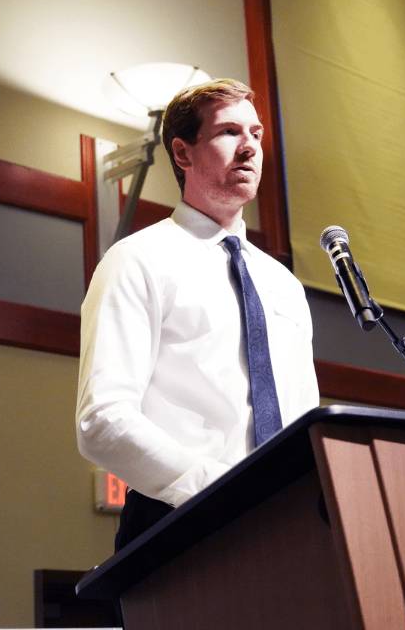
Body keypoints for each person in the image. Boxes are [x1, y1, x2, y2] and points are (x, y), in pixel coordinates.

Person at [75, 79, 319, 551]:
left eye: (257, 133)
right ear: (183, 154)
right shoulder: (137, 260)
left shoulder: (284, 285)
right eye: (229, 132)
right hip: (179, 524)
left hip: (292, 530)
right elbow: (102, 421)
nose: (249, 147)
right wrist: (218, 490)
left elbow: (302, 419)